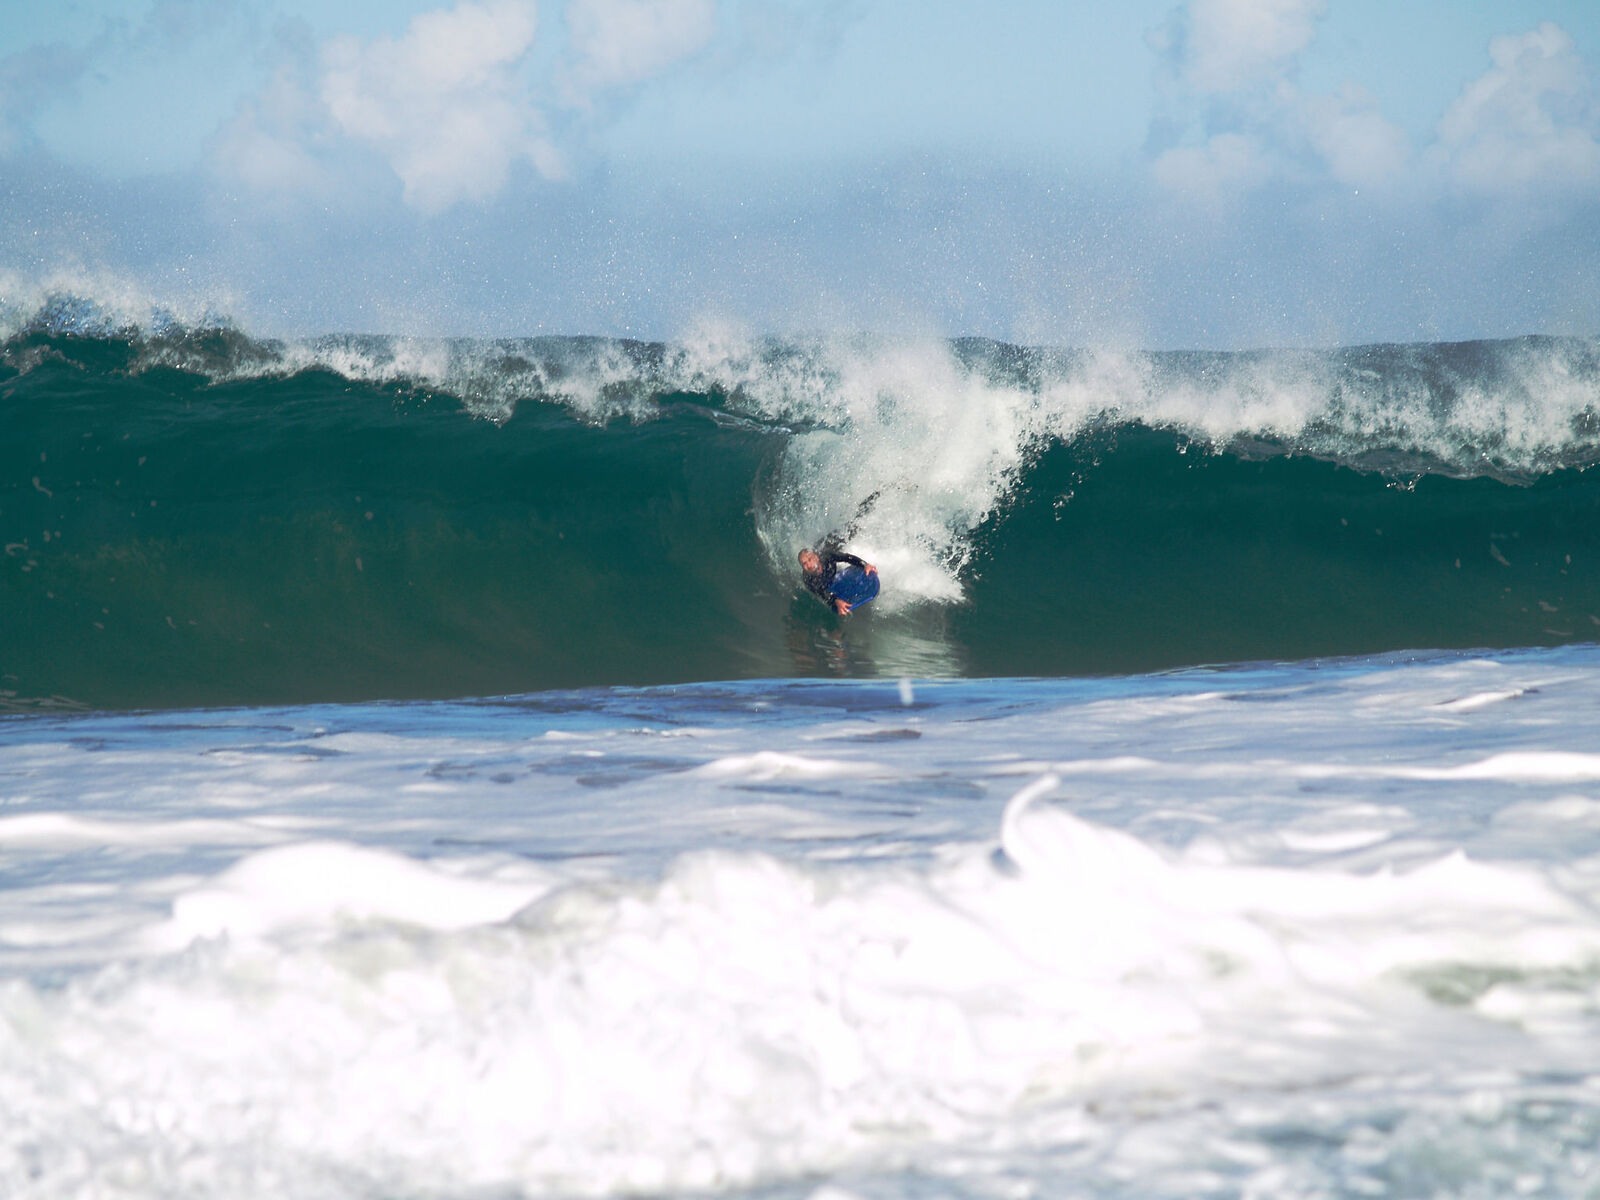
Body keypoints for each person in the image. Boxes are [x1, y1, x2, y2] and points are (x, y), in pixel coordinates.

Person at [798, 546, 878, 615]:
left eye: (810, 559)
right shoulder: (808, 579)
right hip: (828, 585)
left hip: (834, 567)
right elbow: (822, 594)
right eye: (804, 564)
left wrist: (865, 565)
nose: (808, 565)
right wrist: (835, 601)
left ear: (816, 557)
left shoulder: (827, 556)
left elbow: (847, 558)